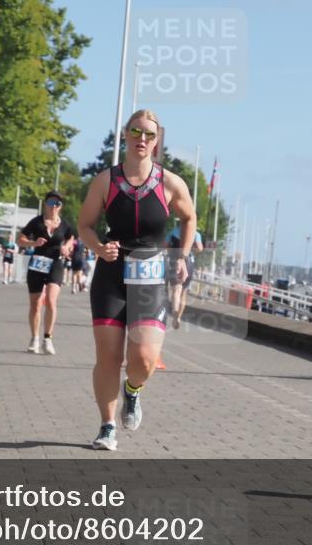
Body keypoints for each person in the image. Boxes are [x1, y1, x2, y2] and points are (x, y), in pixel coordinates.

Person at [77, 109, 196, 451]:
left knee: (143, 358)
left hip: (150, 276)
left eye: (149, 134)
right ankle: (107, 425)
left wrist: (182, 256)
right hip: (111, 274)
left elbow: (190, 218)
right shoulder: (105, 181)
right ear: (125, 135)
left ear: (157, 141)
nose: (142, 139)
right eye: (136, 131)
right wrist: (99, 248)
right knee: (108, 356)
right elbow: (84, 224)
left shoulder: (171, 183)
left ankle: (133, 391)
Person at [18, 192, 75, 354]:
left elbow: (71, 238)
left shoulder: (64, 224)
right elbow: (20, 239)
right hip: (37, 264)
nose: (53, 206)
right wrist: (33, 242)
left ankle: (48, 338)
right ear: (45, 204)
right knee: (35, 304)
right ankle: (34, 338)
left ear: (60, 206)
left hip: (55, 263)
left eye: (57, 203)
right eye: (51, 202)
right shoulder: (36, 222)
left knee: (50, 301)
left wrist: (67, 246)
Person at [168, 219, 204, 329]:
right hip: (189, 262)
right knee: (184, 292)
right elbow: (200, 248)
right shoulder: (195, 234)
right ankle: (178, 316)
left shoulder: (173, 232)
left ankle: (174, 311)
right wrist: (190, 248)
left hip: (175, 260)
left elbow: (165, 245)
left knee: (176, 290)